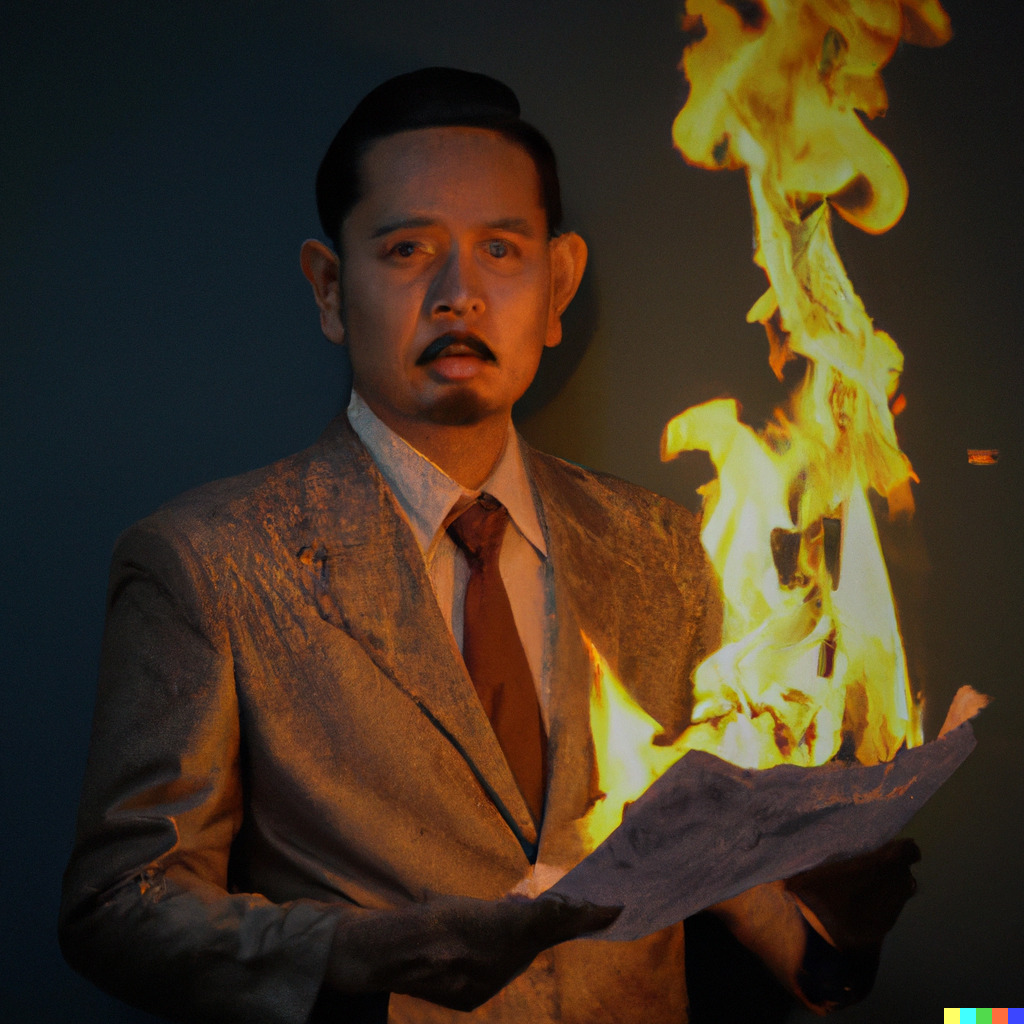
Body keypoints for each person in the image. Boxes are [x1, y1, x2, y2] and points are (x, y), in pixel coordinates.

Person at [59, 67, 911, 1024]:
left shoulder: (669, 553)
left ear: (557, 286)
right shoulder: (206, 563)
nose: (459, 293)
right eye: (409, 249)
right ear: (331, 287)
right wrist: (353, 952)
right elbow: (115, 909)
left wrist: (842, 933)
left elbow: (728, 887)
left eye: (501, 250)